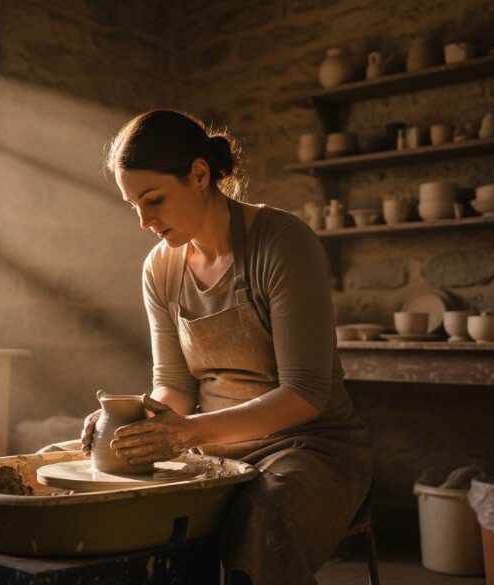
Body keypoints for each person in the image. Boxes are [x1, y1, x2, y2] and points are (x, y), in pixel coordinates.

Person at [82, 109, 373, 585]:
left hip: (310, 447)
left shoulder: (282, 243)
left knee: (264, 514)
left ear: (200, 175)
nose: (144, 221)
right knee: (85, 484)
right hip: (211, 446)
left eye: (154, 199)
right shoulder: (161, 267)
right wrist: (134, 420)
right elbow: (174, 387)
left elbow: (307, 391)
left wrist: (186, 433)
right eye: (133, 204)